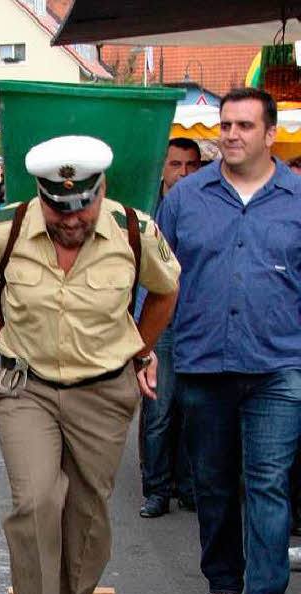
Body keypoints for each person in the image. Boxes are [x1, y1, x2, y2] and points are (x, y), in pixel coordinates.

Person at [0, 135, 180, 594]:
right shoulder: (8, 228)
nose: (71, 218)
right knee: (35, 503)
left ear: (100, 191)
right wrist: (1, 333)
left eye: (81, 205)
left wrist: (139, 350)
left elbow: (166, 290)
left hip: (103, 394)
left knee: (84, 519)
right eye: (59, 208)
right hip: (26, 388)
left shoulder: (134, 230)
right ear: (40, 197)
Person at [157, 88, 301, 594]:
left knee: (267, 481)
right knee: (214, 481)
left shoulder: (296, 199)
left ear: (270, 134)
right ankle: (224, 583)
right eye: (226, 125)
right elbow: (157, 276)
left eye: (244, 125)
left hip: (278, 365)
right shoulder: (187, 199)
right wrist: (142, 349)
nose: (231, 135)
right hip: (203, 360)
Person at [137, 137, 202, 519]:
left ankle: (189, 486)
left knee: (195, 410)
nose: (183, 173)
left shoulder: (207, 206)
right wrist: (142, 334)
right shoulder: (148, 210)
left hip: (198, 323)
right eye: (176, 165)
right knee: (159, 411)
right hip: (161, 322)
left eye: (191, 165)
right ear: (163, 168)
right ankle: (157, 489)